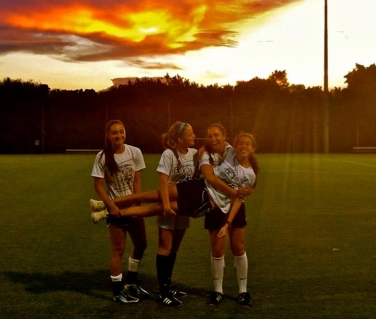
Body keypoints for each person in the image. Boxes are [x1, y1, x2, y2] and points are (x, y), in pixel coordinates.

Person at [93, 127, 257, 303]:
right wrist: (234, 192)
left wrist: (236, 204)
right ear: (179, 139)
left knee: (153, 210)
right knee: (150, 199)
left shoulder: (231, 161)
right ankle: (107, 204)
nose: (200, 136)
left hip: (203, 201)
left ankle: (107, 212)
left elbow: (238, 189)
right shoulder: (202, 152)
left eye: (215, 135)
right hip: (195, 189)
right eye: (194, 134)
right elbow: (209, 177)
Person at [200, 125, 259, 307]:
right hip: (214, 204)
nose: (243, 146)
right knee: (217, 250)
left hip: (235, 207)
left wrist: (228, 223)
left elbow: (240, 198)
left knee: (238, 248)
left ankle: (243, 291)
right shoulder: (229, 151)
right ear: (235, 144)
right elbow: (212, 145)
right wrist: (202, 149)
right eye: (241, 143)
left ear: (253, 148)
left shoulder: (250, 174)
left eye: (247, 144)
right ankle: (218, 291)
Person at [90, 119, 149, 304]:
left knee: (141, 244)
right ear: (108, 135)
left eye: (121, 131)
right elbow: (98, 185)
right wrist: (111, 206)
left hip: (133, 207)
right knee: (118, 250)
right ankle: (117, 292)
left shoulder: (135, 152)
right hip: (116, 209)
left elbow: (137, 181)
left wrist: (138, 204)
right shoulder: (102, 157)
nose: (119, 135)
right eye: (114, 132)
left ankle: (131, 282)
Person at [155, 121, 198, 307]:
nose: (194, 136)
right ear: (180, 139)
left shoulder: (194, 154)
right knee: (165, 246)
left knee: (174, 248)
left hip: (184, 207)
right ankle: (162, 291)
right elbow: (163, 182)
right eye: (190, 133)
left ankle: (168, 285)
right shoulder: (169, 154)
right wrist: (165, 206)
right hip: (169, 205)